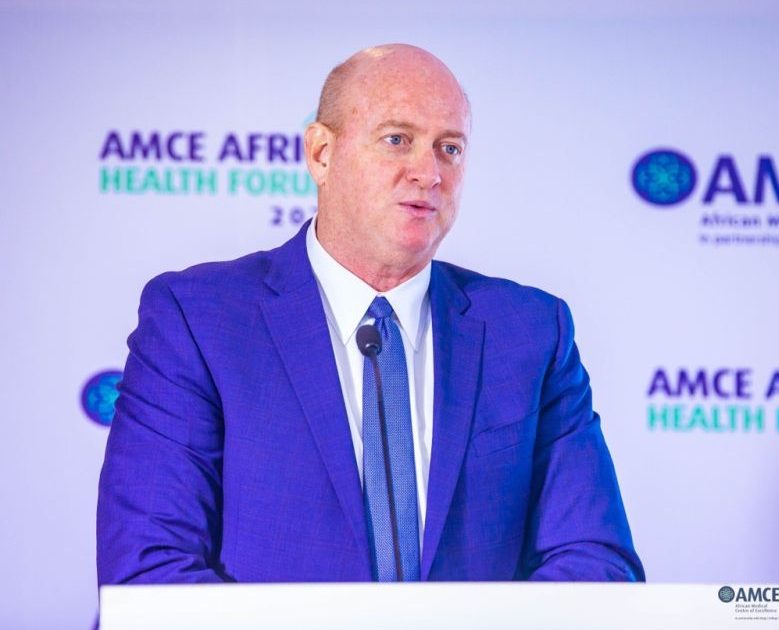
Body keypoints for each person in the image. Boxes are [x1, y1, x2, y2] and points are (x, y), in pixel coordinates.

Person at [97, 44, 644, 583]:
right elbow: (149, 570)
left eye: (449, 148)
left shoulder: (530, 333)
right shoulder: (198, 321)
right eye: (397, 139)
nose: (428, 172)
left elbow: (596, 562)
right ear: (321, 154)